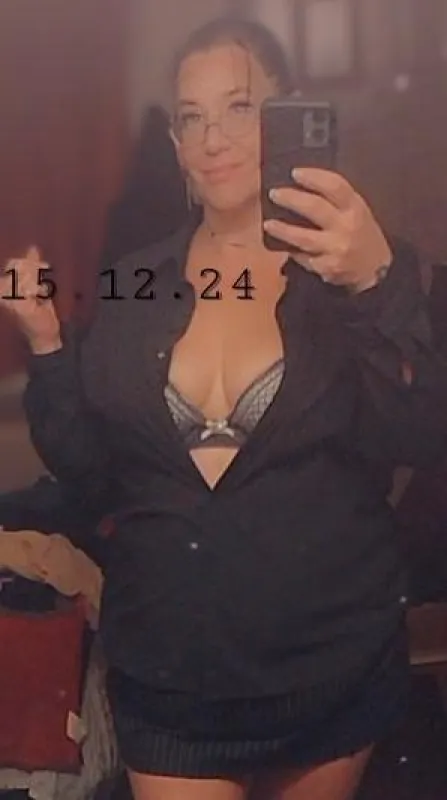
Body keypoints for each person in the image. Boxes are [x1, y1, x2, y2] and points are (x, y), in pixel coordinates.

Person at [2, 17, 447, 800]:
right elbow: (90, 471)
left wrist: (374, 284)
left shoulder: (362, 269)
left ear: (286, 115)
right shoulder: (136, 279)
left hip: (329, 669)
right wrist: (45, 342)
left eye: (239, 107)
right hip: (170, 683)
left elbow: (421, 433)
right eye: (191, 117)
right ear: (174, 142)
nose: (212, 138)